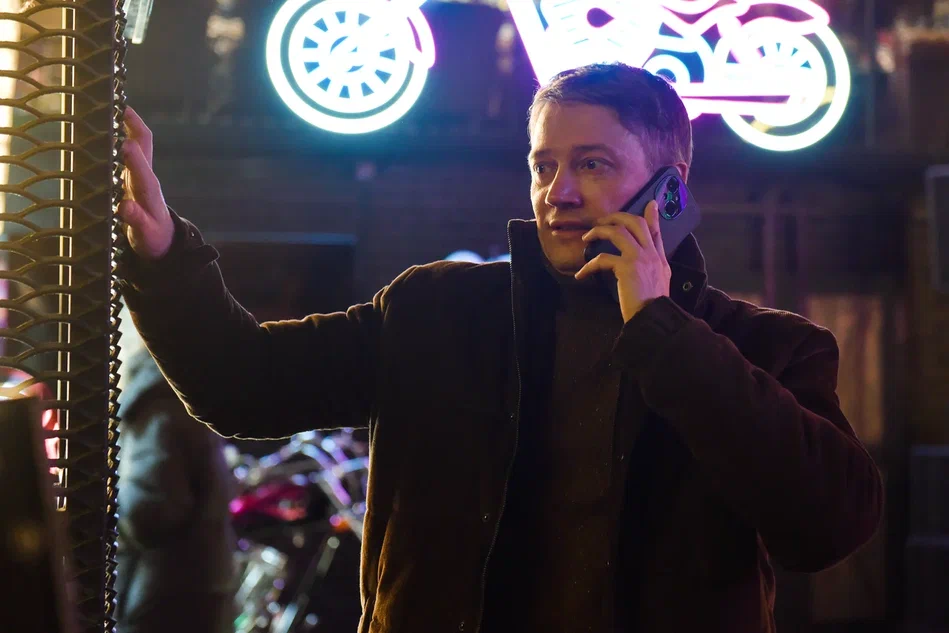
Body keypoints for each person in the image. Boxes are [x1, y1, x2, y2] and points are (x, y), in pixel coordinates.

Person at [115, 63, 884, 633]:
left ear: (670, 188)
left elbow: (828, 526)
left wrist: (665, 331)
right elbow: (242, 384)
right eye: (544, 165)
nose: (559, 191)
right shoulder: (439, 312)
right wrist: (161, 254)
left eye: (592, 163)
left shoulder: (766, 347)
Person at [114, 304, 237, 633]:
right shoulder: (186, 392)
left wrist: (99, 503)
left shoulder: (156, 403)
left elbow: (153, 511)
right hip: (197, 590)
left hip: (164, 601)